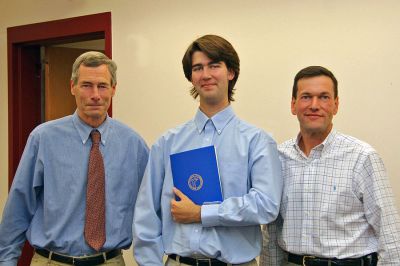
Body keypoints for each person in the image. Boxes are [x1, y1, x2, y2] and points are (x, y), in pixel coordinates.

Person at [133, 34, 282, 266]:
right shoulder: (167, 143)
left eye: (214, 66)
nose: (206, 75)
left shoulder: (257, 141)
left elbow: (266, 206)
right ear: (191, 78)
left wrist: (202, 213)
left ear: (231, 72)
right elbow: (146, 215)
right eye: (198, 68)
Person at [0, 51, 149, 266]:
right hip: (52, 261)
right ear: (73, 87)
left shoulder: (134, 145)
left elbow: (151, 209)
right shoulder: (43, 138)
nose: (95, 94)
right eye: (87, 85)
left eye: (103, 86)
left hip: (109, 261)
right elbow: (19, 205)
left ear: (113, 89)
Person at [260, 66, 400, 266]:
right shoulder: (278, 158)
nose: (314, 105)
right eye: (306, 97)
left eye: (324, 97)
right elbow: (272, 231)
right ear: (293, 105)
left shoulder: (362, 157)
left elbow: (390, 234)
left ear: (336, 105)